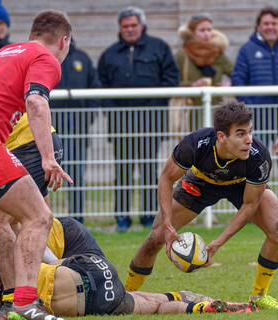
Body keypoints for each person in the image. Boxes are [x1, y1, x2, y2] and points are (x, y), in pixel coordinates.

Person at [0, 10, 73, 320]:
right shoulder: (45, 58)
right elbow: (36, 103)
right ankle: (23, 305)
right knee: (39, 216)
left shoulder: (2, 52)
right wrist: (48, 158)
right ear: (64, 41)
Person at [124, 102, 278, 311]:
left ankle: (259, 295)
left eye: (250, 132)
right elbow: (166, 178)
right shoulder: (196, 144)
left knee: (276, 229)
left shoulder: (258, 157)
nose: (248, 139)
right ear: (221, 136)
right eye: (240, 134)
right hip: (200, 183)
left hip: (241, 185)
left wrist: (218, 242)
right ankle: (125, 297)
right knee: (156, 237)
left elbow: (250, 205)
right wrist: (168, 224)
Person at [0, 217, 256, 318]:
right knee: (146, 303)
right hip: (95, 276)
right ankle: (203, 306)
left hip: (80, 283)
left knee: (143, 303)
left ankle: (193, 304)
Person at [98, 6, 180, 231]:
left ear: (141, 26)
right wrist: (114, 111)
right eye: (125, 26)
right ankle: (122, 217)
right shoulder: (110, 54)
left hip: (150, 123)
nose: (130, 30)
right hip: (120, 124)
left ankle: (147, 216)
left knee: (148, 170)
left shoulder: (159, 48)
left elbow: (171, 78)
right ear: (120, 29)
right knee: (122, 170)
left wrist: (151, 108)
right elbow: (101, 85)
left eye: (133, 25)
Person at [50, 37, 101, 223]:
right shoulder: (47, 58)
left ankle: (77, 217)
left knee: (76, 174)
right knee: (44, 174)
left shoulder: (83, 59)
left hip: (78, 130)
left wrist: (86, 120)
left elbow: (94, 91)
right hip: (50, 132)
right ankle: (46, 218)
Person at [174, 12, 232, 127]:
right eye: (202, 30)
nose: (207, 34)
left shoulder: (218, 54)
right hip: (191, 112)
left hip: (216, 113)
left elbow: (235, 73)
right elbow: (172, 83)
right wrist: (192, 86)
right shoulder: (182, 56)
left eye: (209, 30)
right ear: (192, 33)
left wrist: (230, 85)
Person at [231, 6, 278, 146]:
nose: (270, 27)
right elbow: (238, 80)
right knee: (257, 163)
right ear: (258, 27)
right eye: (266, 24)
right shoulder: (247, 50)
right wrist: (250, 108)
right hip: (257, 120)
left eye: (274, 23)